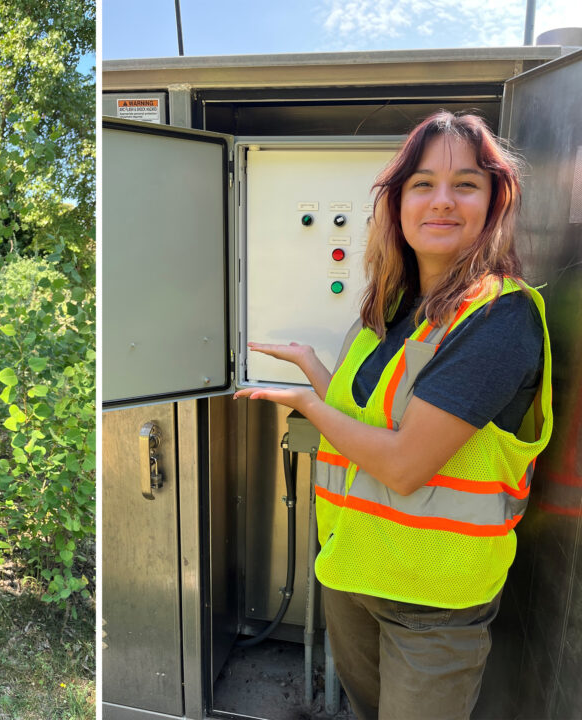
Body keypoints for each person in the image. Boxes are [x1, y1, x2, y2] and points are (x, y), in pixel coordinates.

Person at [235, 112, 552, 720]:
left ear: (494, 201)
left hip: (432, 601)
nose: (442, 201)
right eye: (422, 184)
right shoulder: (398, 306)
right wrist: (314, 371)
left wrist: (305, 406)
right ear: (396, 202)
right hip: (354, 572)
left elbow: (404, 465)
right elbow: (369, 421)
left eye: (466, 184)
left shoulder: (496, 319)